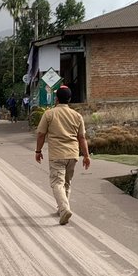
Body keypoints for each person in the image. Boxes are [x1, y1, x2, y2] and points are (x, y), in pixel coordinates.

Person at [35, 85, 90, 225]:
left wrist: (38, 151)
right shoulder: (77, 116)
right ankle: (61, 209)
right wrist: (86, 156)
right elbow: (82, 137)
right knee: (66, 183)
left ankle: (65, 209)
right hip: (73, 154)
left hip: (57, 155)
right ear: (69, 99)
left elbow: (41, 134)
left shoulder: (49, 114)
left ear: (57, 98)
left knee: (57, 183)